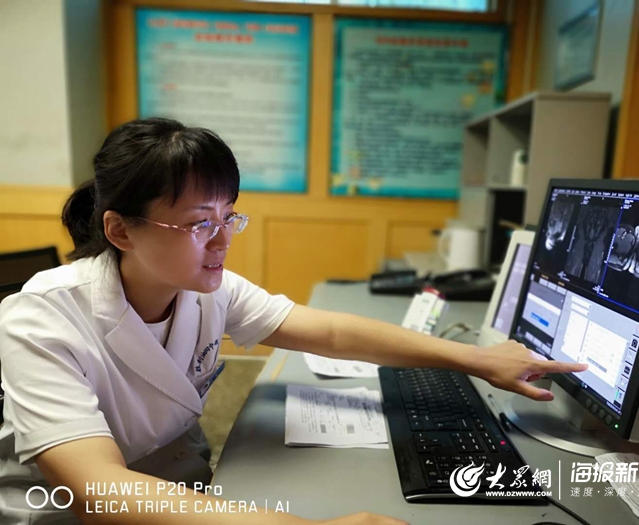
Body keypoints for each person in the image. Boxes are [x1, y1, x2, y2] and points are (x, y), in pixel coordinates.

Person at [0, 118, 587, 525]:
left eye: (230, 217)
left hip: (175, 489)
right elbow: (96, 488)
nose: (223, 240)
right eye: (201, 222)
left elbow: (330, 332)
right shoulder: (42, 319)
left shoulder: (207, 289)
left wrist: (478, 359)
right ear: (121, 230)